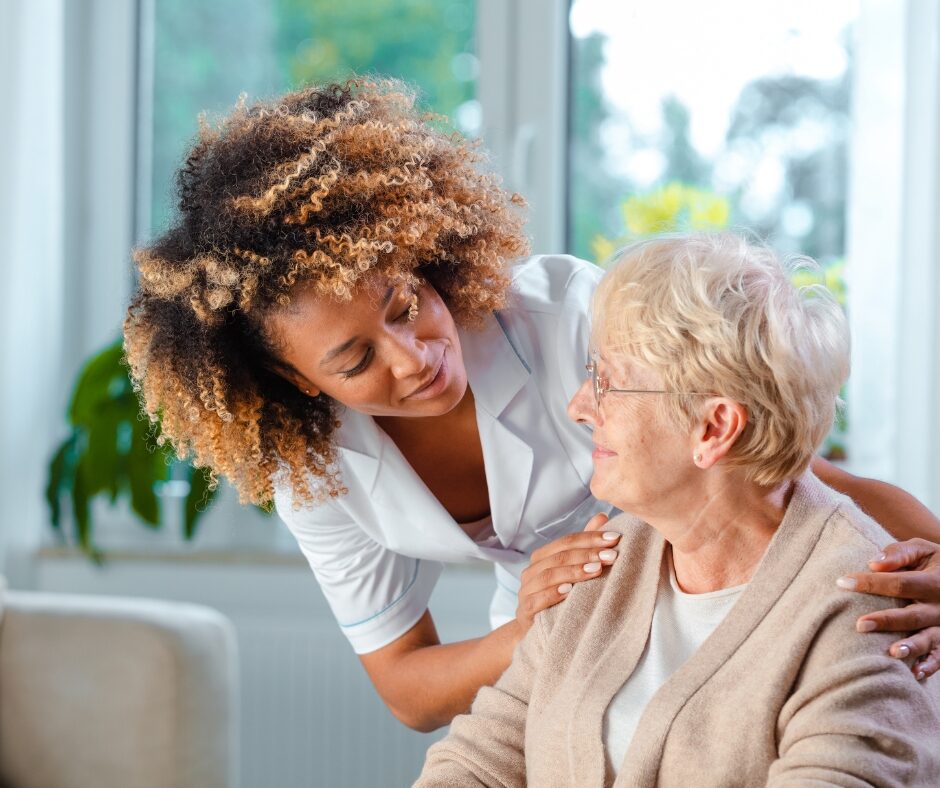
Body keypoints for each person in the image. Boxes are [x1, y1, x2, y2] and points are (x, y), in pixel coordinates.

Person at [124, 79, 940, 732]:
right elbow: (409, 691)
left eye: (406, 303)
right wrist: (534, 624)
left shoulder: (567, 319)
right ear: (302, 382)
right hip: (555, 631)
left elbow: (782, 469)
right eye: (355, 359)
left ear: (418, 254)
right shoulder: (313, 465)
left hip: (724, 579)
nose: (414, 359)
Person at [416, 233, 940, 786]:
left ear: (713, 428)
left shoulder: (870, 619)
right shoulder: (600, 564)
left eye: (606, 382)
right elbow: (480, 757)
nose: (578, 406)